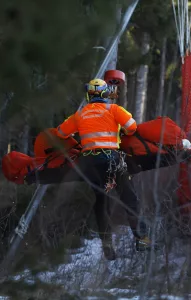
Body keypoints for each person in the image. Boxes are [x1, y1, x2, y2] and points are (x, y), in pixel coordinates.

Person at [55, 78, 152, 259]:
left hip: (90, 164)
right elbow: (132, 127)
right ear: (106, 94)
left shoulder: (80, 114)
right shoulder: (113, 109)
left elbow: (60, 133)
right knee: (129, 197)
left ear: (89, 95)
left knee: (102, 201)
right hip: (112, 159)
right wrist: (118, 131)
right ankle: (142, 239)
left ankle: (107, 246)